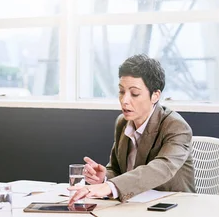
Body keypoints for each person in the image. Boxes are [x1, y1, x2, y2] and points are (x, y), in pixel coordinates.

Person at [69, 54, 195, 204]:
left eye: (134, 93)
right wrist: (104, 177)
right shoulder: (122, 123)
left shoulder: (176, 126)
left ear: (155, 96)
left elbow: (162, 168)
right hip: (133, 206)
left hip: (173, 208)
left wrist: (110, 186)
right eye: (122, 91)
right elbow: (117, 169)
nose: (124, 100)